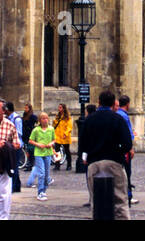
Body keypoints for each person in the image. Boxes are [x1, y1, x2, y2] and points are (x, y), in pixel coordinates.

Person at [77, 89, 131, 219]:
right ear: (113, 104)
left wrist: (87, 154)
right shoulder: (117, 119)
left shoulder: (89, 120)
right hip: (114, 162)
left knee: (96, 201)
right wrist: (118, 151)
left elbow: (82, 144)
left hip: (94, 162)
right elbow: (127, 144)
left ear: (99, 102)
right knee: (120, 201)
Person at [25, 111, 56, 200]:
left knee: (47, 174)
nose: (45, 120)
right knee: (41, 173)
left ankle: (44, 190)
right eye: (43, 118)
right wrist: (38, 144)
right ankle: (40, 192)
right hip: (38, 153)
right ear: (40, 120)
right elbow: (30, 140)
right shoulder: (36, 130)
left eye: (46, 118)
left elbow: (54, 140)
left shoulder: (51, 129)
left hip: (48, 153)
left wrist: (51, 143)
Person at [117, 94, 137, 206]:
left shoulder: (117, 114)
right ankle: (128, 194)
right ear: (128, 104)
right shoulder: (124, 116)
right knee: (127, 172)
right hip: (125, 149)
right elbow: (127, 134)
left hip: (118, 147)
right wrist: (130, 148)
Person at [6, 100, 24, 194]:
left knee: (14, 166)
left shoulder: (17, 119)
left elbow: (19, 133)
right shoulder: (8, 118)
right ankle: (17, 186)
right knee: (13, 165)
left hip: (16, 145)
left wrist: (10, 135)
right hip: (10, 145)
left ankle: (13, 186)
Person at [53, 103, 74, 170]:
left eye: (60, 107)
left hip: (65, 136)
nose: (59, 109)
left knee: (67, 151)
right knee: (57, 151)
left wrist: (66, 133)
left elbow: (69, 127)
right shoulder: (58, 116)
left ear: (63, 108)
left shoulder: (68, 117)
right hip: (58, 136)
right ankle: (57, 165)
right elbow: (55, 126)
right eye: (59, 107)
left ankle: (69, 165)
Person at [21, 102, 37, 170]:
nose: (25, 109)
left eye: (26, 108)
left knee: (30, 150)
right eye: (25, 108)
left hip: (30, 134)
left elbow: (35, 124)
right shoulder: (24, 115)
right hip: (25, 134)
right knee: (27, 149)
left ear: (29, 109)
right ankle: (28, 163)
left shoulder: (33, 116)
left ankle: (31, 164)